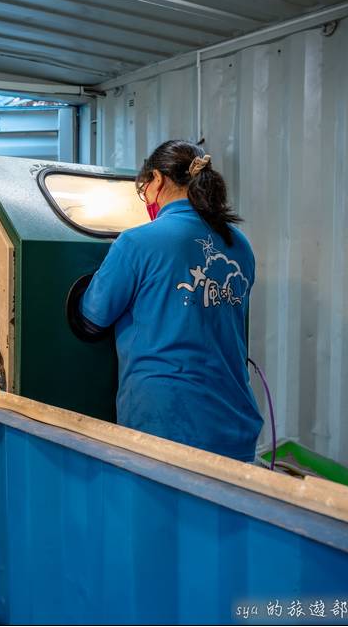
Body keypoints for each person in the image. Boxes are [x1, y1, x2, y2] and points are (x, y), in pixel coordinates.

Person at [78, 140, 263, 462]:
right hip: (233, 419)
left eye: (143, 189)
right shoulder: (239, 244)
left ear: (157, 179)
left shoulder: (138, 242)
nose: (146, 199)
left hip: (166, 422)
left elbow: (92, 318)